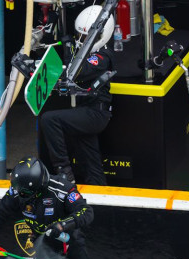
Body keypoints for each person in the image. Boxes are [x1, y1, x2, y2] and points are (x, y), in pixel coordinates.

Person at [38, 4, 115, 185]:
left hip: (95, 113)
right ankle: (101, 192)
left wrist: (68, 49)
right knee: (91, 163)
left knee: (49, 120)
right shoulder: (86, 52)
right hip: (84, 111)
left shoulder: (103, 56)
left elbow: (77, 72)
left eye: (86, 37)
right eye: (79, 35)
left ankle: (64, 172)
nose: (82, 40)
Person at [0, 156, 93, 259]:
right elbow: (0, 213)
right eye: (19, 191)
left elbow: (86, 211)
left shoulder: (62, 190)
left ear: (39, 186)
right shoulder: (18, 189)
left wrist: (61, 225)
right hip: (43, 246)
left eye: (26, 192)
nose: (21, 195)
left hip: (69, 242)